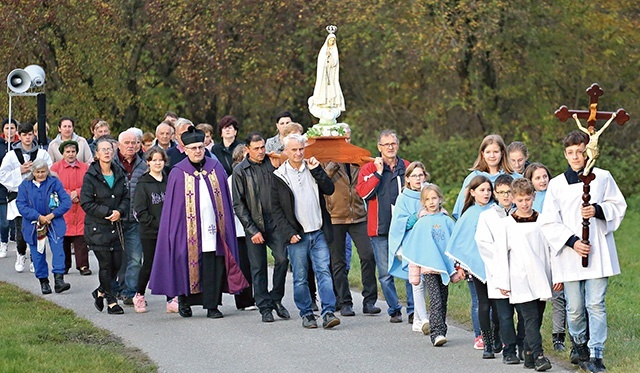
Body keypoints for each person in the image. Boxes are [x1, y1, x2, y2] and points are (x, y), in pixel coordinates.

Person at [540, 130, 626, 373]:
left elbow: (618, 205)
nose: (576, 157)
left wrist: (597, 210)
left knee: (596, 304)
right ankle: (579, 345)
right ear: (565, 155)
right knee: (575, 308)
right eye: (570, 153)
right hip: (570, 254)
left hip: (598, 251)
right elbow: (549, 221)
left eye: (580, 152)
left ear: (588, 151)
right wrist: (572, 241)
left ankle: (596, 353)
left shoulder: (603, 177)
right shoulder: (557, 184)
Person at [149, 126, 248, 319]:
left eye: (200, 147)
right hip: (188, 232)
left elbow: (226, 202)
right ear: (185, 150)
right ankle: (184, 302)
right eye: (193, 148)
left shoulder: (215, 167)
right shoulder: (178, 173)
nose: (197, 151)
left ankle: (212, 306)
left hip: (214, 230)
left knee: (214, 266)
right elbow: (173, 209)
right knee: (186, 265)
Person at [271, 134, 340, 329]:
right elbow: (275, 209)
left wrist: (317, 170)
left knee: (324, 272)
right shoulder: (279, 176)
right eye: (293, 150)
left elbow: (329, 189)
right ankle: (307, 313)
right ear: (286, 151)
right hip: (297, 235)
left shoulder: (312, 168)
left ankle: (328, 313)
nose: (298, 153)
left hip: (318, 231)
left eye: (301, 149)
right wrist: (288, 233)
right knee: (300, 277)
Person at [494, 178, 556, 371]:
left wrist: (558, 276)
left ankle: (528, 355)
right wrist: (503, 281)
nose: (524, 204)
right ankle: (539, 356)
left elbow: (553, 250)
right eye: (520, 200)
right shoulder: (506, 225)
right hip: (520, 277)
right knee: (529, 317)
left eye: (528, 199)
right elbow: (500, 255)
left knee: (537, 317)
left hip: (542, 275)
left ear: (534, 197)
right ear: (513, 199)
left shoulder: (544, 220)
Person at [356, 129, 414, 323]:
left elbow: (417, 191)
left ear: (398, 145)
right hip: (379, 229)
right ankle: (394, 309)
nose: (390, 147)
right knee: (385, 273)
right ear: (379, 147)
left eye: (393, 144)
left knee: (409, 269)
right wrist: (378, 173)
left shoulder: (406, 167)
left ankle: (413, 310)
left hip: (404, 228)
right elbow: (364, 193)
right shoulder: (368, 168)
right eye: (386, 144)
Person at [323, 125, 380, 317]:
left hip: (358, 215)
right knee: (337, 261)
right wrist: (331, 166)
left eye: (347, 138)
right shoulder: (326, 160)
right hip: (335, 216)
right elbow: (321, 184)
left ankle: (369, 300)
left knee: (368, 255)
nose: (345, 142)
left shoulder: (358, 159)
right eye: (341, 139)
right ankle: (344, 301)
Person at [232, 133, 290, 322]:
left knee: (282, 259)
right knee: (258, 267)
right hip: (254, 223)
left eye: (262, 147)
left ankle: (276, 298)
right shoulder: (240, 171)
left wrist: (279, 161)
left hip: (274, 221)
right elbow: (238, 204)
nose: (260, 151)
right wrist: (252, 230)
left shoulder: (272, 162)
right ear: (247, 149)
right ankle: (264, 307)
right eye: (256, 148)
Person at [445, 175, 500, 359]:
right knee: (483, 303)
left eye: (488, 190)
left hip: (497, 265)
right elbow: (460, 241)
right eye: (482, 190)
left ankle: (498, 337)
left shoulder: (496, 210)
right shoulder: (468, 214)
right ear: (472, 192)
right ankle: (487, 342)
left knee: (498, 304)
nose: (486, 193)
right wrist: (462, 265)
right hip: (477, 266)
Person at [475, 174, 525, 364]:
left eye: (509, 192)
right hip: (498, 271)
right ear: (495, 193)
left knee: (521, 312)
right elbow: (484, 244)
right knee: (504, 315)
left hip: (519, 271)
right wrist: (502, 258)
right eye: (501, 192)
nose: (506, 196)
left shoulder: (521, 214)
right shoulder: (486, 217)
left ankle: (523, 346)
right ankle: (509, 350)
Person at [402, 184, 459, 346]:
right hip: (428, 268)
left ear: (440, 199)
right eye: (427, 199)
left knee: (443, 299)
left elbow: (454, 244)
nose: (432, 202)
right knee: (435, 299)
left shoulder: (447, 221)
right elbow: (415, 249)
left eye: (434, 198)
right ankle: (436, 333)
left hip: (444, 268)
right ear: (423, 203)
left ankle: (442, 328)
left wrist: (456, 268)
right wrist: (414, 273)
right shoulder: (421, 223)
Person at [80, 136, 129, 315]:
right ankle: (111, 301)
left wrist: (120, 212)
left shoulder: (119, 172)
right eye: (103, 150)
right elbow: (86, 202)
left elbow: (126, 197)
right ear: (97, 154)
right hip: (97, 227)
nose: (107, 152)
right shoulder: (91, 176)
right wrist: (107, 212)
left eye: (109, 149)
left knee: (117, 263)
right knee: (106, 265)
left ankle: (101, 290)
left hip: (116, 227)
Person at [0, 122, 53, 273]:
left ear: (33, 135)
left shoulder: (42, 154)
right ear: (20, 136)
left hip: (38, 198)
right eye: (24, 135)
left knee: (38, 230)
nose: (28, 138)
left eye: (30, 134)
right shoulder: (11, 155)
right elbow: (2, 175)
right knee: (22, 231)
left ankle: (35, 258)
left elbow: (50, 171)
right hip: (19, 198)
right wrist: (19, 170)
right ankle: (21, 253)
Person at [132, 147, 178, 313]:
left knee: (169, 264)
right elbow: (140, 211)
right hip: (150, 232)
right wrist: (158, 224)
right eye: (154, 160)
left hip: (169, 232)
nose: (158, 163)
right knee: (149, 264)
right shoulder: (143, 184)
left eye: (160, 160)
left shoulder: (169, 181)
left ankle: (171, 298)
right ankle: (139, 295)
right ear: (148, 162)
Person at [525, 161, 565, 351]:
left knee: (559, 296)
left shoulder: (556, 194)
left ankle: (559, 337)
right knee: (536, 299)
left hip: (556, 251)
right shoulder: (529, 201)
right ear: (530, 181)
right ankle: (531, 337)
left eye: (545, 176)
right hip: (536, 254)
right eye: (537, 178)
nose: (543, 181)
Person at [16, 159, 72, 294]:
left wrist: (52, 215)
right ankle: (44, 281)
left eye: (43, 172)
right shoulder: (25, 185)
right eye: (38, 172)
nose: (41, 175)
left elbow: (66, 201)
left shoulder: (54, 183)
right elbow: (21, 205)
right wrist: (38, 217)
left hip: (54, 221)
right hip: (34, 224)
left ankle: (59, 280)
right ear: (32, 172)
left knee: (58, 250)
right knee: (37, 253)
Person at [388, 161, 430, 331]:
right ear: (408, 179)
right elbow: (399, 223)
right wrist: (417, 216)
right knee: (417, 281)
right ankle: (423, 319)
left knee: (429, 281)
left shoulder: (430, 192)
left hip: (429, 244)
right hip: (412, 245)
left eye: (421, 175)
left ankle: (419, 318)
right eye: (414, 176)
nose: (418, 179)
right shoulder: (403, 198)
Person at [113, 130, 148, 305]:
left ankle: (130, 292)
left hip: (135, 219)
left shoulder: (144, 166)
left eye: (133, 143)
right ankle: (115, 288)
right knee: (117, 258)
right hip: (114, 219)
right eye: (126, 143)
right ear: (119, 145)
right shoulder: (109, 165)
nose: (130, 146)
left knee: (135, 258)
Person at [452, 134, 520, 220]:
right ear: (482, 154)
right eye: (488, 152)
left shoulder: (514, 177)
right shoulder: (473, 178)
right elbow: (462, 209)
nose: (492, 156)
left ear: (502, 153)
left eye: (495, 152)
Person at [50, 140, 91, 275]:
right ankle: (65, 265)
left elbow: (89, 184)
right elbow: (54, 186)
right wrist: (68, 194)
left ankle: (83, 265)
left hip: (80, 206)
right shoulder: (55, 168)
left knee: (81, 237)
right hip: (64, 207)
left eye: (73, 151)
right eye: (68, 151)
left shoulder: (85, 168)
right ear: (63, 153)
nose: (71, 154)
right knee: (64, 239)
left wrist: (77, 193)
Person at [227, 144, 257, 312]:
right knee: (243, 265)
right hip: (239, 228)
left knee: (255, 264)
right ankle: (244, 299)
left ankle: (256, 296)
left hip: (254, 227)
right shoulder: (232, 179)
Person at [310, 32, 345, 111]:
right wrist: (326, 57)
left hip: (331, 75)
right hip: (324, 74)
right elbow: (321, 62)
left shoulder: (334, 51)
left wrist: (330, 57)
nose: (332, 42)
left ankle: (330, 103)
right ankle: (323, 102)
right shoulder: (323, 51)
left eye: (333, 41)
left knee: (331, 89)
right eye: (331, 40)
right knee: (323, 88)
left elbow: (334, 63)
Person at [0, 118, 18, 258]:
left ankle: (19, 245)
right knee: (4, 221)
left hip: (15, 187)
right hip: (1, 186)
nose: (9, 131)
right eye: (7, 128)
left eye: (12, 128)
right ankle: (3, 241)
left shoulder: (19, 145)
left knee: (16, 219)